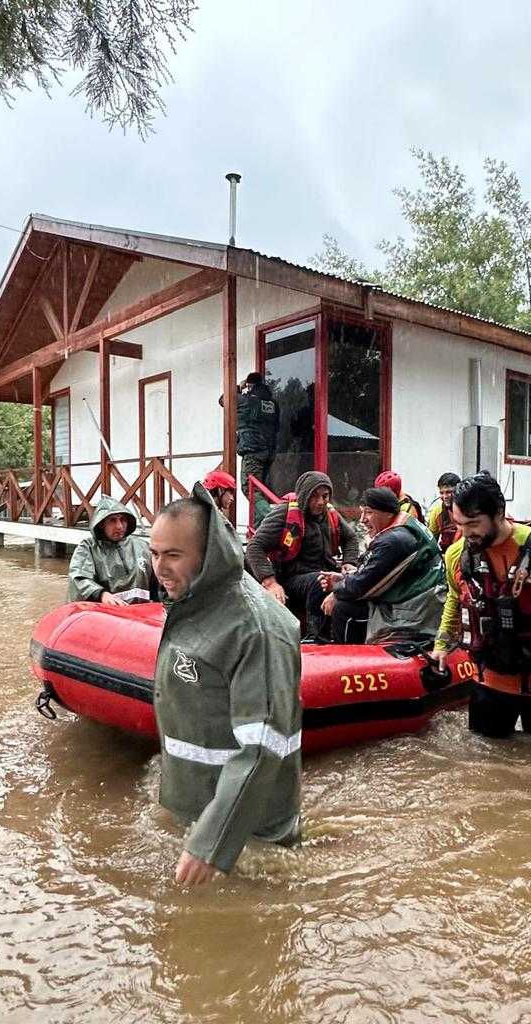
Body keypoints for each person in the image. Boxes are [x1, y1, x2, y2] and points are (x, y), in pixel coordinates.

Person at [150, 484, 302, 886]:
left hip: (248, 831)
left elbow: (263, 746)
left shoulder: (255, 630)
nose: (160, 568)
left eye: (173, 555)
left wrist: (211, 844)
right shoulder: (194, 605)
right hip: (195, 806)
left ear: (209, 553)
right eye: (154, 554)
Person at [431, 472, 531, 744]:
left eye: (473, 524)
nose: (466, 533)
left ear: (499, 513)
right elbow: (455, 598)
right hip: (488, 680)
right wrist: (441, 644)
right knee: (483, 761)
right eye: (459, 524)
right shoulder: (456, 555)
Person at [319, 487, 445, 643]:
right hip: (422, 600)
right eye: (362, 512)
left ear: (388, 513)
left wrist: (336, 591)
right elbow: (375, 574)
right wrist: (342, 579)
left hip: (416, 613)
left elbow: (362, 585)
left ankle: (348, 657)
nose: (362, 520)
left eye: (369, 512)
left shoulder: (393, 540)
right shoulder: (406, 523)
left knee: (343, 608)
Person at [246, 470, 359, 640]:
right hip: (292, 577)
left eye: (325, 496)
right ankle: (316, 636)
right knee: (320, 581)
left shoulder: (330, 514)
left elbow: (350, 538)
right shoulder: (284, 513)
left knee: (351, 581)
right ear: (304, 496)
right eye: (314, 496)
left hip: (323, 572)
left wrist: (349, 563)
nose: (320, 502)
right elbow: (254, 546)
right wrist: (270, 582)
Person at [67, 497, 153, 605]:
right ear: (101, 524)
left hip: (142, 611)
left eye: (123, 520)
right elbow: (79, 579)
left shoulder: (142, 546)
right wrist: (101, 594)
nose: (119, 526)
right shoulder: (88, 548)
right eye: (112, 520)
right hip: (106, 612)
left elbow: (161, 581)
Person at [234, 372, 280, 526]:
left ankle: (277, 521)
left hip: (253, 451)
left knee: (250, 489)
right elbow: (277, 427)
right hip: (269, 452)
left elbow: (224, 399)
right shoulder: (273, 404)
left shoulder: (247, 400)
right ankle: (260, 529)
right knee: (261, 491)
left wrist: (238, 388)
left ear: (250, 385)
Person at [427, 472, 461, 552]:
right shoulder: (437, 511)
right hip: (446, 554)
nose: (445, 497)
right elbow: (431, 542)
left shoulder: (468, 509)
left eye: (449, 492)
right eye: (442, 493)